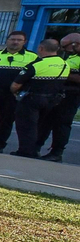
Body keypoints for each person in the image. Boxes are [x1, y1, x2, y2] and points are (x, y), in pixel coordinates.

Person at [10, 38, 78, 159]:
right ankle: (35, 149)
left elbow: (16, 84)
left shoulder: (37, 64)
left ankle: (28, 151)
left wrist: (15, 92)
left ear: (41, 49)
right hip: (53, 100)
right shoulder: (65, 63)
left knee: (28, 125)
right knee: (43, 125)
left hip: (36, 98)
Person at [42, 33, 80, 161]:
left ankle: (56, 153)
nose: (63, 50)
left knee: (62, 124)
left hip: (72, 95)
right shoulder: (73, 56)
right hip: (57, 93)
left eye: (65, 46)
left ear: (75, 44)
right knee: (46, 121)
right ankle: (35, 147)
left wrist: (62, 73)